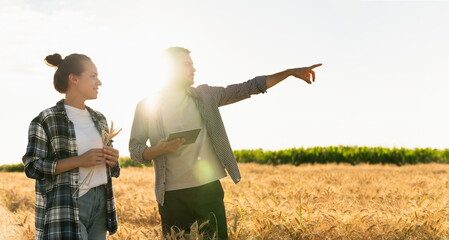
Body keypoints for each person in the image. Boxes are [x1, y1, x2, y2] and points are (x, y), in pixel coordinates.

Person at [129, 46, 322, 239]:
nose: (193, 69)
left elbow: (248, 87)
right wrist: (157, 150)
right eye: (187, 64)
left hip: (208, 190)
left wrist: (288, 73)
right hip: (172, 196)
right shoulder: (147, 106)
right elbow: (135, 148)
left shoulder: (206, 96)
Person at [23, 53, 121, 240]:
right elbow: (32, 166)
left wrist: (113, 160)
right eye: (93, 76)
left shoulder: (99, 119)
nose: (98, 82)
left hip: (101, 201)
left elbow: (111, 169)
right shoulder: (46, 119)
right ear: (74, 79)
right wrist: (79, 161)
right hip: (68, 203)